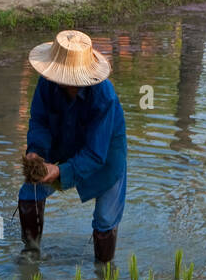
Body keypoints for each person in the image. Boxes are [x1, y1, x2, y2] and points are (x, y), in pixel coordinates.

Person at [19, 29, 126, 263]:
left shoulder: (104, 97)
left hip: (105, 153)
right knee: (29, 191)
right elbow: (39, 121)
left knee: (105, 219)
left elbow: (96, 154)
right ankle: (31, 254)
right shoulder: (46, 84)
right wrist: (36, 152)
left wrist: (59, 171)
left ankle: (103, 274)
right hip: (63, 142)